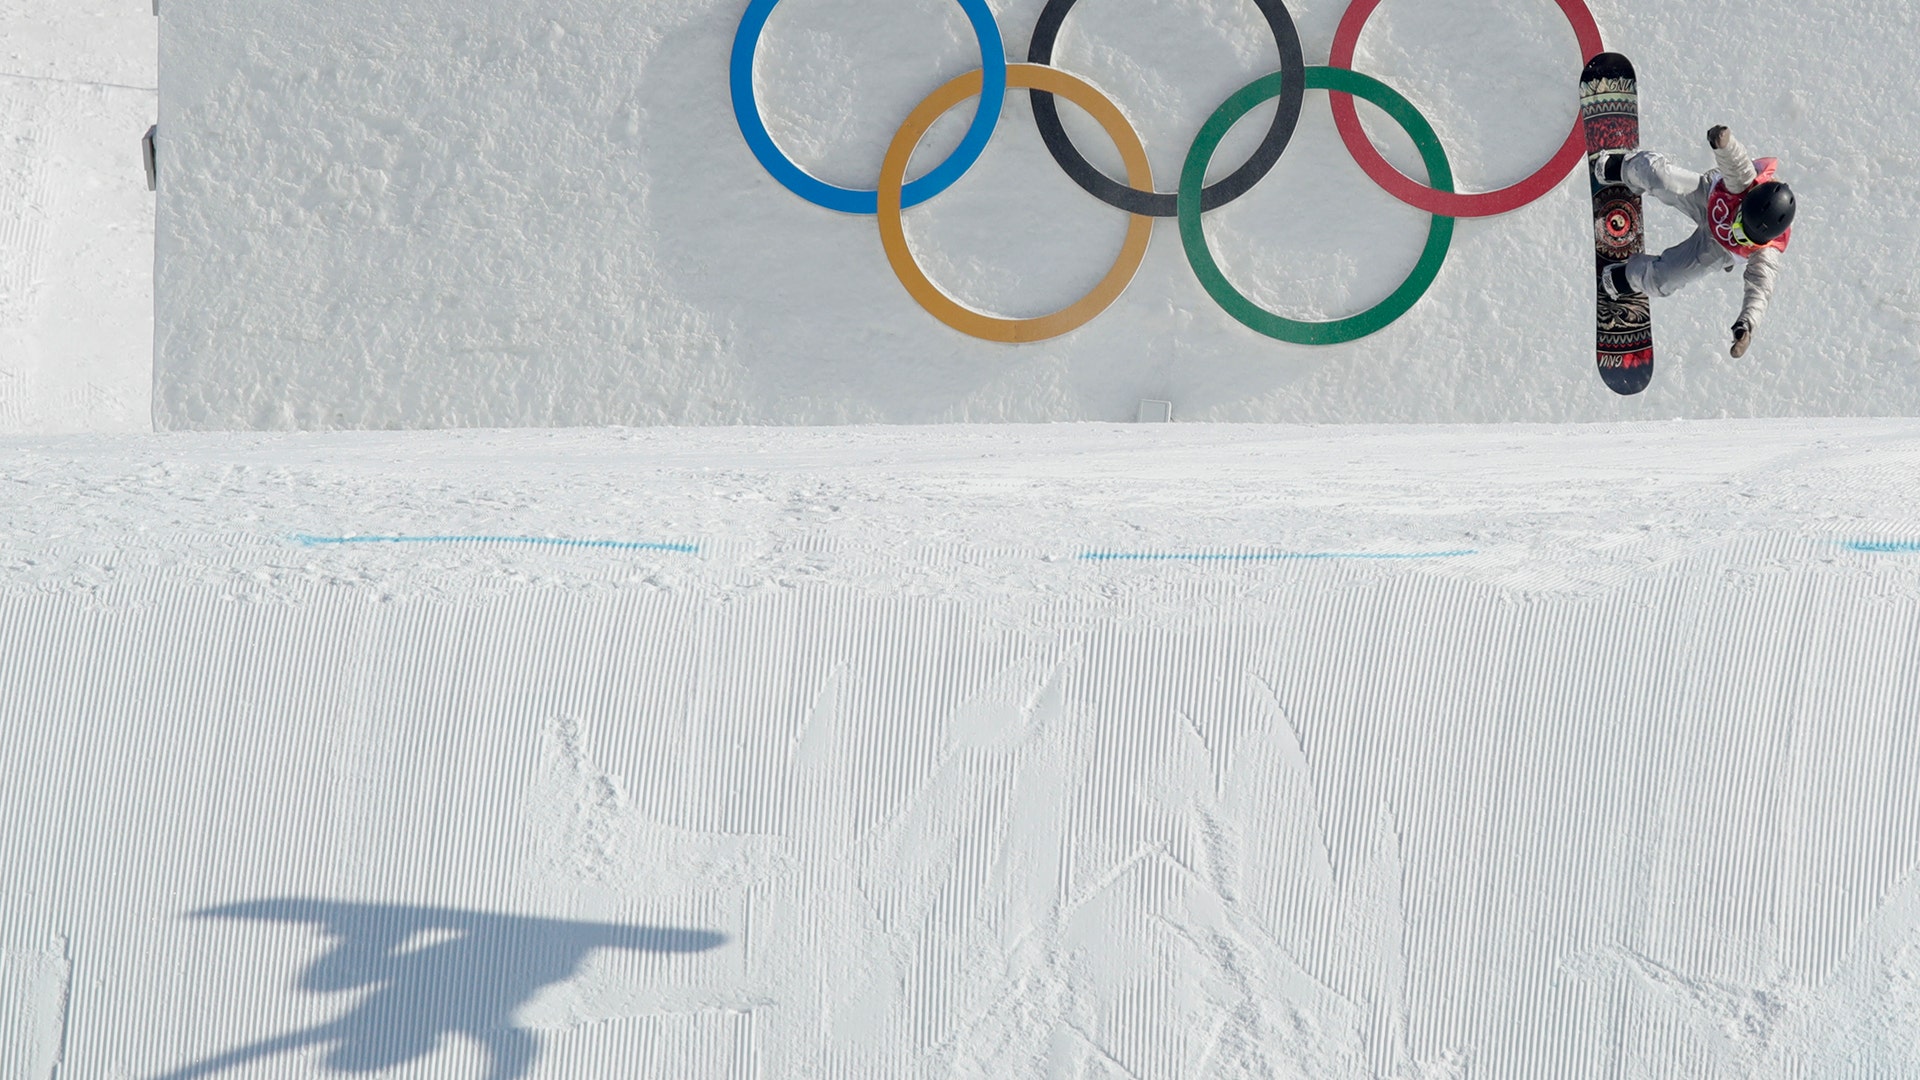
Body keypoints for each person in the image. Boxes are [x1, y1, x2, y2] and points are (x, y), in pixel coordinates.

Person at [1592, 126, 1796, 358]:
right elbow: (1735, 160)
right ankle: (1626, 168)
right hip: (1708, 196)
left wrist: (1746, 325)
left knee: (1665, 278)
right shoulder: (1744, 181)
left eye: (1743, 237)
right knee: (1658, 177)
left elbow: (1760, 290)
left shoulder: (1767, 253)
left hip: (1718, 248)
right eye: (1739, 224)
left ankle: (1631, 276)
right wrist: (1723, 143)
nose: (1735, 229)